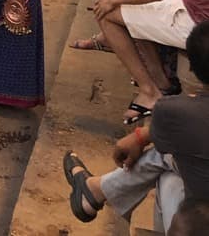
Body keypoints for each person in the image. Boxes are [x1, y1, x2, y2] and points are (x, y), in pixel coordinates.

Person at [63, 20, 209, 231]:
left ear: (191, 68)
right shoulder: (180, 113)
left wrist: (140, 137)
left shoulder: (176, 111)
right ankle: (95, 190)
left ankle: (96, 190)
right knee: (172, 158)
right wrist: (142, 136)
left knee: (168, 173)